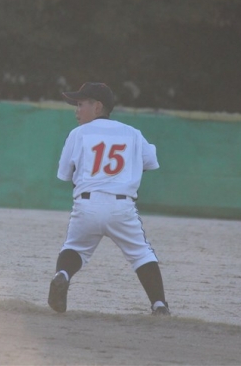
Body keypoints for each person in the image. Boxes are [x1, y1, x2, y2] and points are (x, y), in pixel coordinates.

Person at [48, 82, 170, 316]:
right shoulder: (132, 133)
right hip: (121, 206)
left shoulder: (78, 134)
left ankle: (62, 275)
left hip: (86, 204)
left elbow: (65, 174)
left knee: (74, 247)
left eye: (81, 104)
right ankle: (159, 305)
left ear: (97, 107)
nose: (76, 110)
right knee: (141, 254)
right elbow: (150, 162)